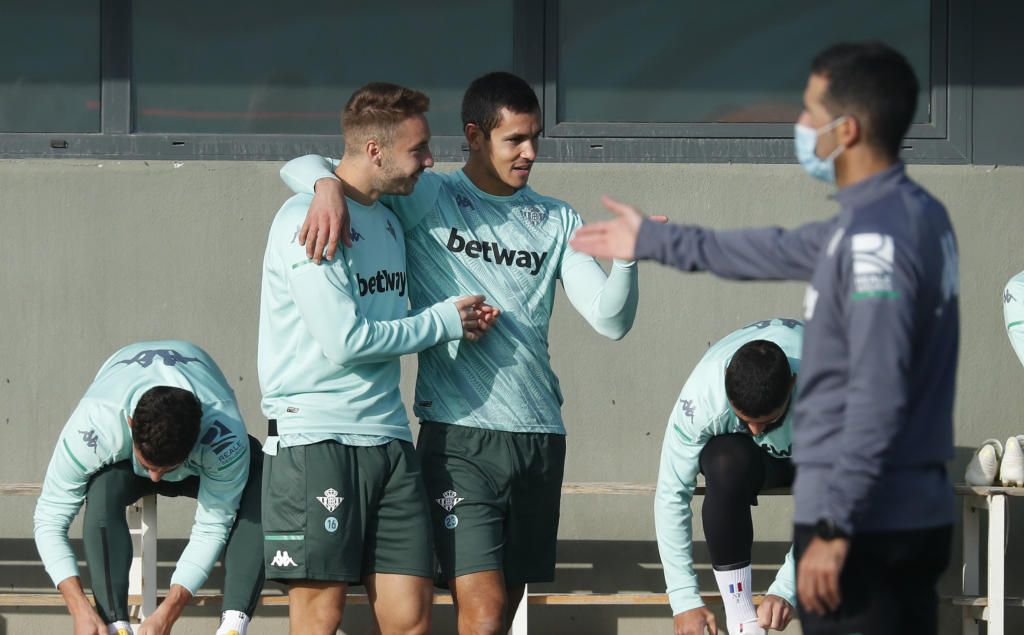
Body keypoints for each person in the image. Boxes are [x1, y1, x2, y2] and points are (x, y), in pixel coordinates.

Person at [570, 42, 958, 634]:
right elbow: (771, 249)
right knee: (726, 459)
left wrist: (801, 568)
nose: (798, 125)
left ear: (847, 130)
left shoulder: (885, 239)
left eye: (809, 112)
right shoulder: (877, 221)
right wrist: (658, 242)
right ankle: (744, 619)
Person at [279, 71, 651, 634]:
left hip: (539, 435)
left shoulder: (557, 219)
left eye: (535, 138)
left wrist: (626, 260)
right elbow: (309, 165)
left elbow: (610, 319)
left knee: (500, 616)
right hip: (458, 438)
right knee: (484, 609)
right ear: (475, 136)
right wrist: (325, 187)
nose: (530, 153)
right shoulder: (428, 195)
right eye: (514, 140)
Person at [258, 82, 497, 635]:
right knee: (319, 619)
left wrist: (455, 327)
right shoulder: (305, 221)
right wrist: (442, 322)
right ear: (375, 151)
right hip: (316, 438)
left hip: (389, 438)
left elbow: (386, 317)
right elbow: (345, 341)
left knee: (411, 619)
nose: (429, 161)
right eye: (418, 149)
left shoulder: (388, 217)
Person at [33, 341, 264, 635]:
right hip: (123, 457)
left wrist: (168, 612)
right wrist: (79, 608)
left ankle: (233, 625)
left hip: (200, 460)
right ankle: (114, 624)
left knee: (258, 475)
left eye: (165, 469)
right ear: (130, 424)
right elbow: (49, 520)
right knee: (102, 488)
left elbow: (213, 527)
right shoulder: (94, 425)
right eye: (149, 465)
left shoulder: (224, 436)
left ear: (197, 438)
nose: (155, 479)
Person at [656, 319, 802, 635]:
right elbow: (671, 492)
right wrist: (683, 600)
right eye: (744, 419)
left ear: (793, 383)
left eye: (769, 420)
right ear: (725, 379)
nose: (756, 431)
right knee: (724, 460)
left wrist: (788, 588)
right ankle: (743, 623)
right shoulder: (702, 396)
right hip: (757, 461)